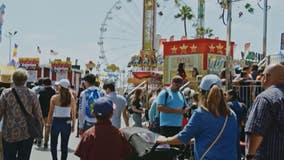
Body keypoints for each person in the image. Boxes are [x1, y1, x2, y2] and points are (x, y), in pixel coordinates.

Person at [157, 74, 238, 160]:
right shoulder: (231, 115)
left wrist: (164, 140)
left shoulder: (201, 114)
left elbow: (183, 137)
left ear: (201, 93)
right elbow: (230, 140)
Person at [0, 68, 44, 160]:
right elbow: (39, 115)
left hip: (9, 133)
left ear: (13, 79)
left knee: (8, 157)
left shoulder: (6, 93)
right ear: (25, 80)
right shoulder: (32, 94)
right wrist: (39, 130)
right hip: (26, 133)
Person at [245, 64, 284, 160]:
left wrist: (250, 156)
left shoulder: (265, 98)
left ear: (266, 77)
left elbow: (256, 132)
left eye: (262, 75)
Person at [46, 79, 76, 160]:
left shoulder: (54, 98)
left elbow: (50, 112)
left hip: (56, 121)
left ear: (60, 87)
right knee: (64, 145)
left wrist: (48, 124)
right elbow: (73, 113)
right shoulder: (72, 98)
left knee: (53, 144)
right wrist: (73, 125)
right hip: (67, 122)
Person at [38, 77, 56, 148]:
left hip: (41, 112)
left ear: (43, 84)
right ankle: (46, 142)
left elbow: (38, 102)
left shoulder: (41, 91)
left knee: (40, 126)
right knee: (47, 127)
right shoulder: (53, 92)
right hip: (50, 112)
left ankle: (39, 139)